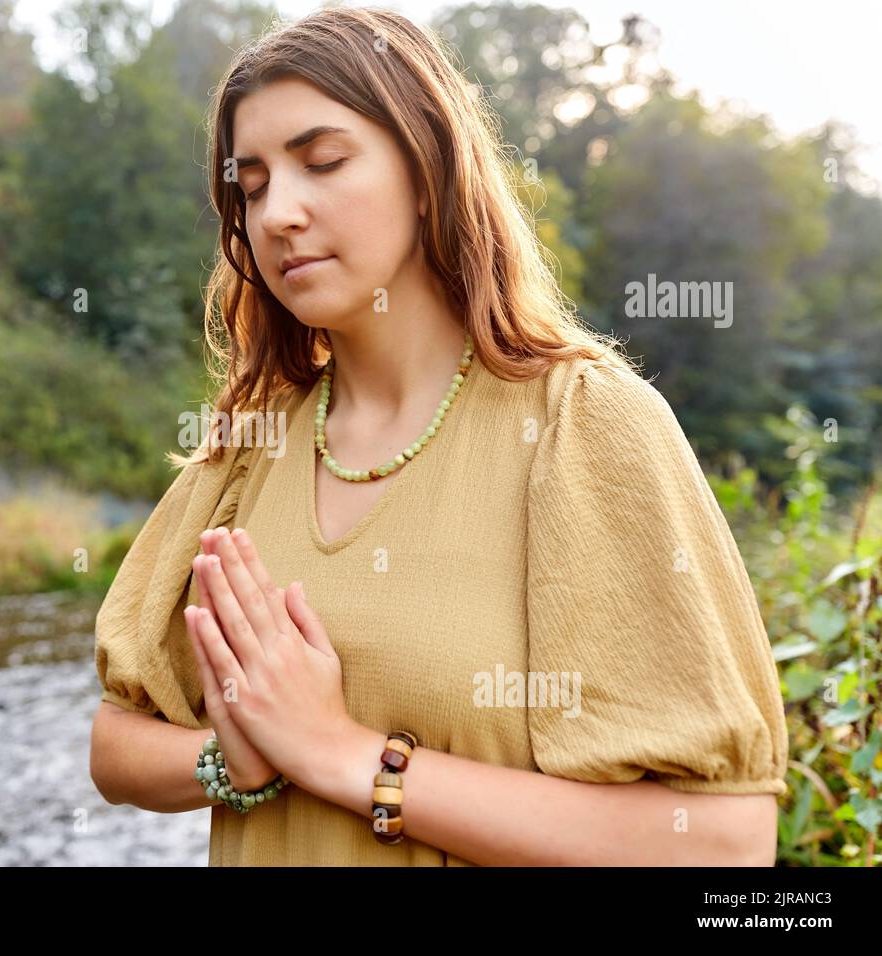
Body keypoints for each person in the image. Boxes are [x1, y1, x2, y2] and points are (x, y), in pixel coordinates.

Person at [88, 6, 788, 866]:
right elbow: (115, 745)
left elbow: (723, 841)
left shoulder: (584, 426)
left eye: (323, 161)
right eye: (255, 183)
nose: (278, 213)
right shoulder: (250, 444)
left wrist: (342, 755)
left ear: (428, 172)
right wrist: (229, 757)